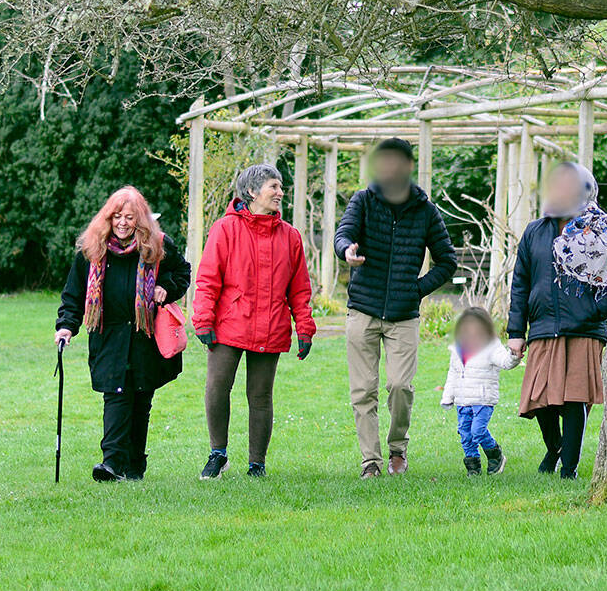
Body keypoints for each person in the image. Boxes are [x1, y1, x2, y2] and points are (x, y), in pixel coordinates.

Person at [334, 136, 458, 478]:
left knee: (400, 385)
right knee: (363, 390)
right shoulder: (363, 200)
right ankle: (370, 461)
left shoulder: (425, 210)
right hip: (363, 309)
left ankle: (397, 449)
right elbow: (343, 234)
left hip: (403, 315)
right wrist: (346, 251)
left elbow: (447, 261)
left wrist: (415, 290)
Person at [56, 185, 192, 482]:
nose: (122, 223)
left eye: (129, 217)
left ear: (140, 219)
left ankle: (134, 466)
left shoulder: (158, 245)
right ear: (107, 218)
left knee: (141, 399)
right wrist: (66, 325)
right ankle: (112, 463)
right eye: (117, 216)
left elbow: (183, 273)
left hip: (145, 337)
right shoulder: (92, 248)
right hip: (109, 336)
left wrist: (166, 288)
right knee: (115, 395)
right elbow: (74, 293)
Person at [507, 160, 607, 480]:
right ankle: (555, 448)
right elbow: (520, 283)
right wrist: (516, 331)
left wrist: (596, 310)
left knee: (575, 399)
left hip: (585, 329)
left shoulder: (602, 231)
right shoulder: (535, 231)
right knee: (540, 398)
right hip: (543, 326)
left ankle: (569, 469)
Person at [192, 163, 315, 480]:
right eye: (274, 186)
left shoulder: (290, 237)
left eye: (280, 187)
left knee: (260, 397)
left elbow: (300, 289)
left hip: (271, 326)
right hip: (229, 325)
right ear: (251, 191)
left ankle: (256, 464)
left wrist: (304, 327)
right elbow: (208, 279)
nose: (280, 192)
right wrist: (203, 319)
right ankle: (218, 454)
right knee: (217, 388)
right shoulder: (225, 229)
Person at [439, 306, 517, 476]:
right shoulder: (458, 348)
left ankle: (495, 455)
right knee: (465, 435)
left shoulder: (491, 346)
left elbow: (505, 361)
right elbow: (453, 373)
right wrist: (447, 396)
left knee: (478, 431)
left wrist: (514, 355)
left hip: (482, 399)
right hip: (462, 400)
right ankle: (473, 467)